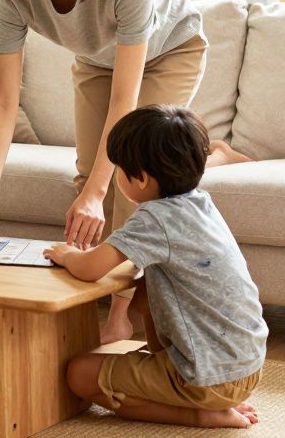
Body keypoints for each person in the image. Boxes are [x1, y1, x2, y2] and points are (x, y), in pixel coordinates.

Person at [0, 0, 252, 343]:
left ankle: (120, 310)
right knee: (87, 175)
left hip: (169, 52)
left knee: (130, 176)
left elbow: (125, 98)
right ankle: (210, 155)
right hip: (98, 63)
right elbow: (4, 99)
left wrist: (100, 192)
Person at [45, 105, 267, 429]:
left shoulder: (155, 218)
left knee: (78, 374)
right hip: (245, 365)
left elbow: (91, 268)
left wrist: (66, 254)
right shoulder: (200, 202)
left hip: (206, 376)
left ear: (143, 177)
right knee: (148, 286)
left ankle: (199, 413)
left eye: (120, 169)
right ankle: (203, 396)